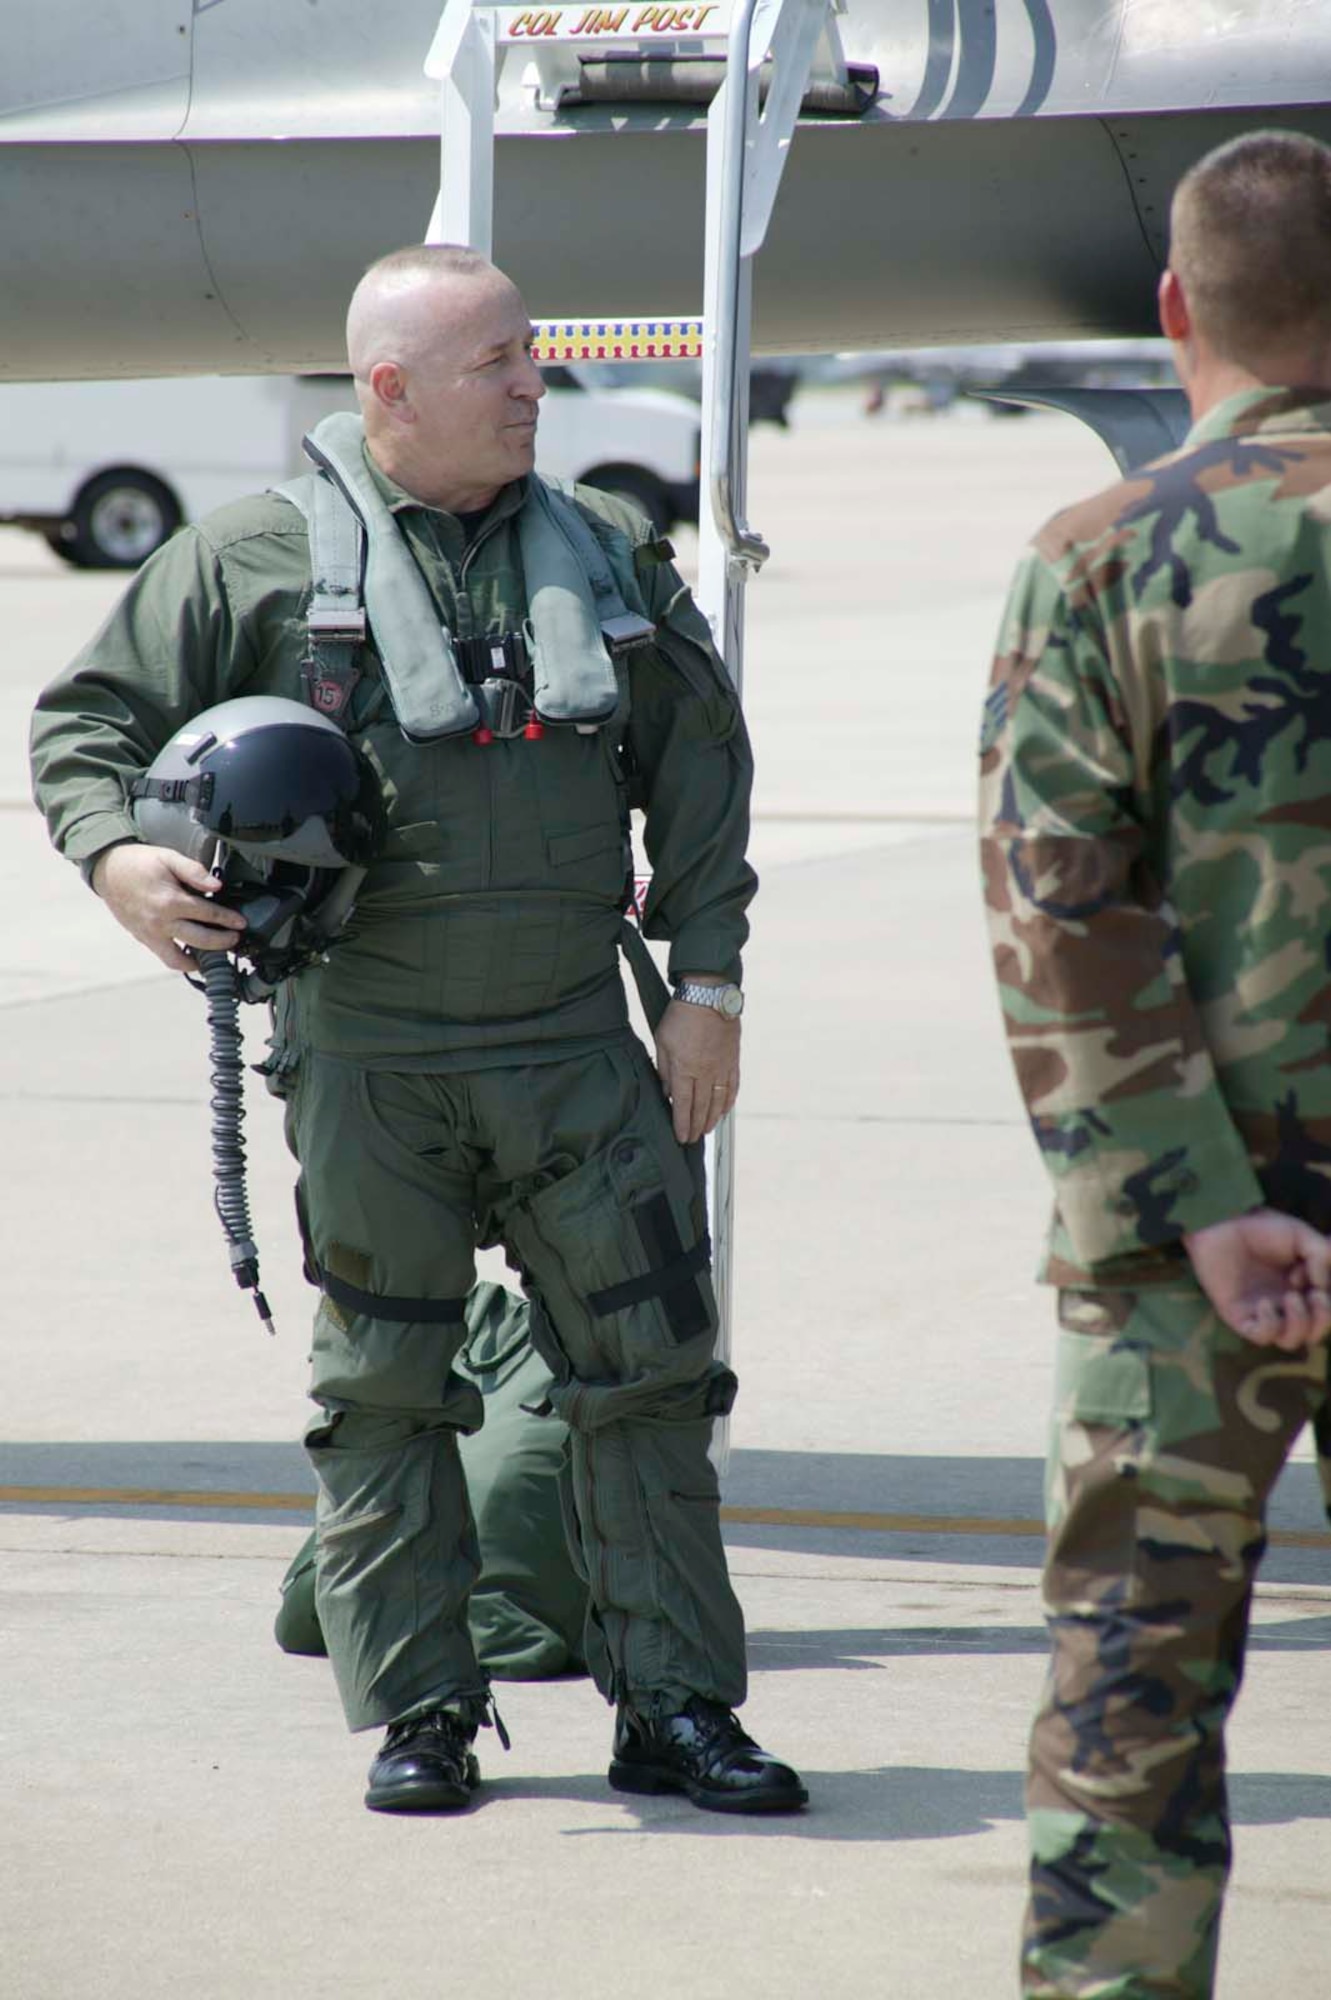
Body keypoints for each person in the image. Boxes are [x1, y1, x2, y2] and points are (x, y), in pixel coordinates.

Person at [29, 243, 806, 1818]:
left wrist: (709, 988)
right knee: (383, 1391)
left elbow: (704, 781)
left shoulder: (602, 553)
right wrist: (119, 856)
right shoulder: (249, 560)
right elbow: (82, 723)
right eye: (500, 363)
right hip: (369, 1062)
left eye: (534, 358)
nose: (537, 384)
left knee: (650, 1378)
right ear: (388, 388)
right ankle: (423, 1713)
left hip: (582, 1052)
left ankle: (674, 1709)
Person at [979, 128, 1331, 1995]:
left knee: (1131, 1727)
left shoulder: (1097, 559)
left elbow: (1062, 913)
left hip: (1176, 1268)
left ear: (1178, 308)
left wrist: (1207, 1209)